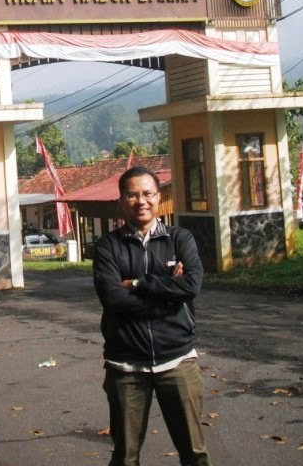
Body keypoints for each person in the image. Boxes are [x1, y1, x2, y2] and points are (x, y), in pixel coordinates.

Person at [92, 165, 211, 466]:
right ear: (121, 200)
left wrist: (137, 283)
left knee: (195, 454)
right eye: (132, 195)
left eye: (147, 193)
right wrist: (168, 296)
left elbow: (191, 285)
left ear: (159, 197)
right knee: (125, 457)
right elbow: (113, 299)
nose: (140, 201)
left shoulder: (179, 238)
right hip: (126, 366)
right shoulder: (108, 246)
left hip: (178, 361)